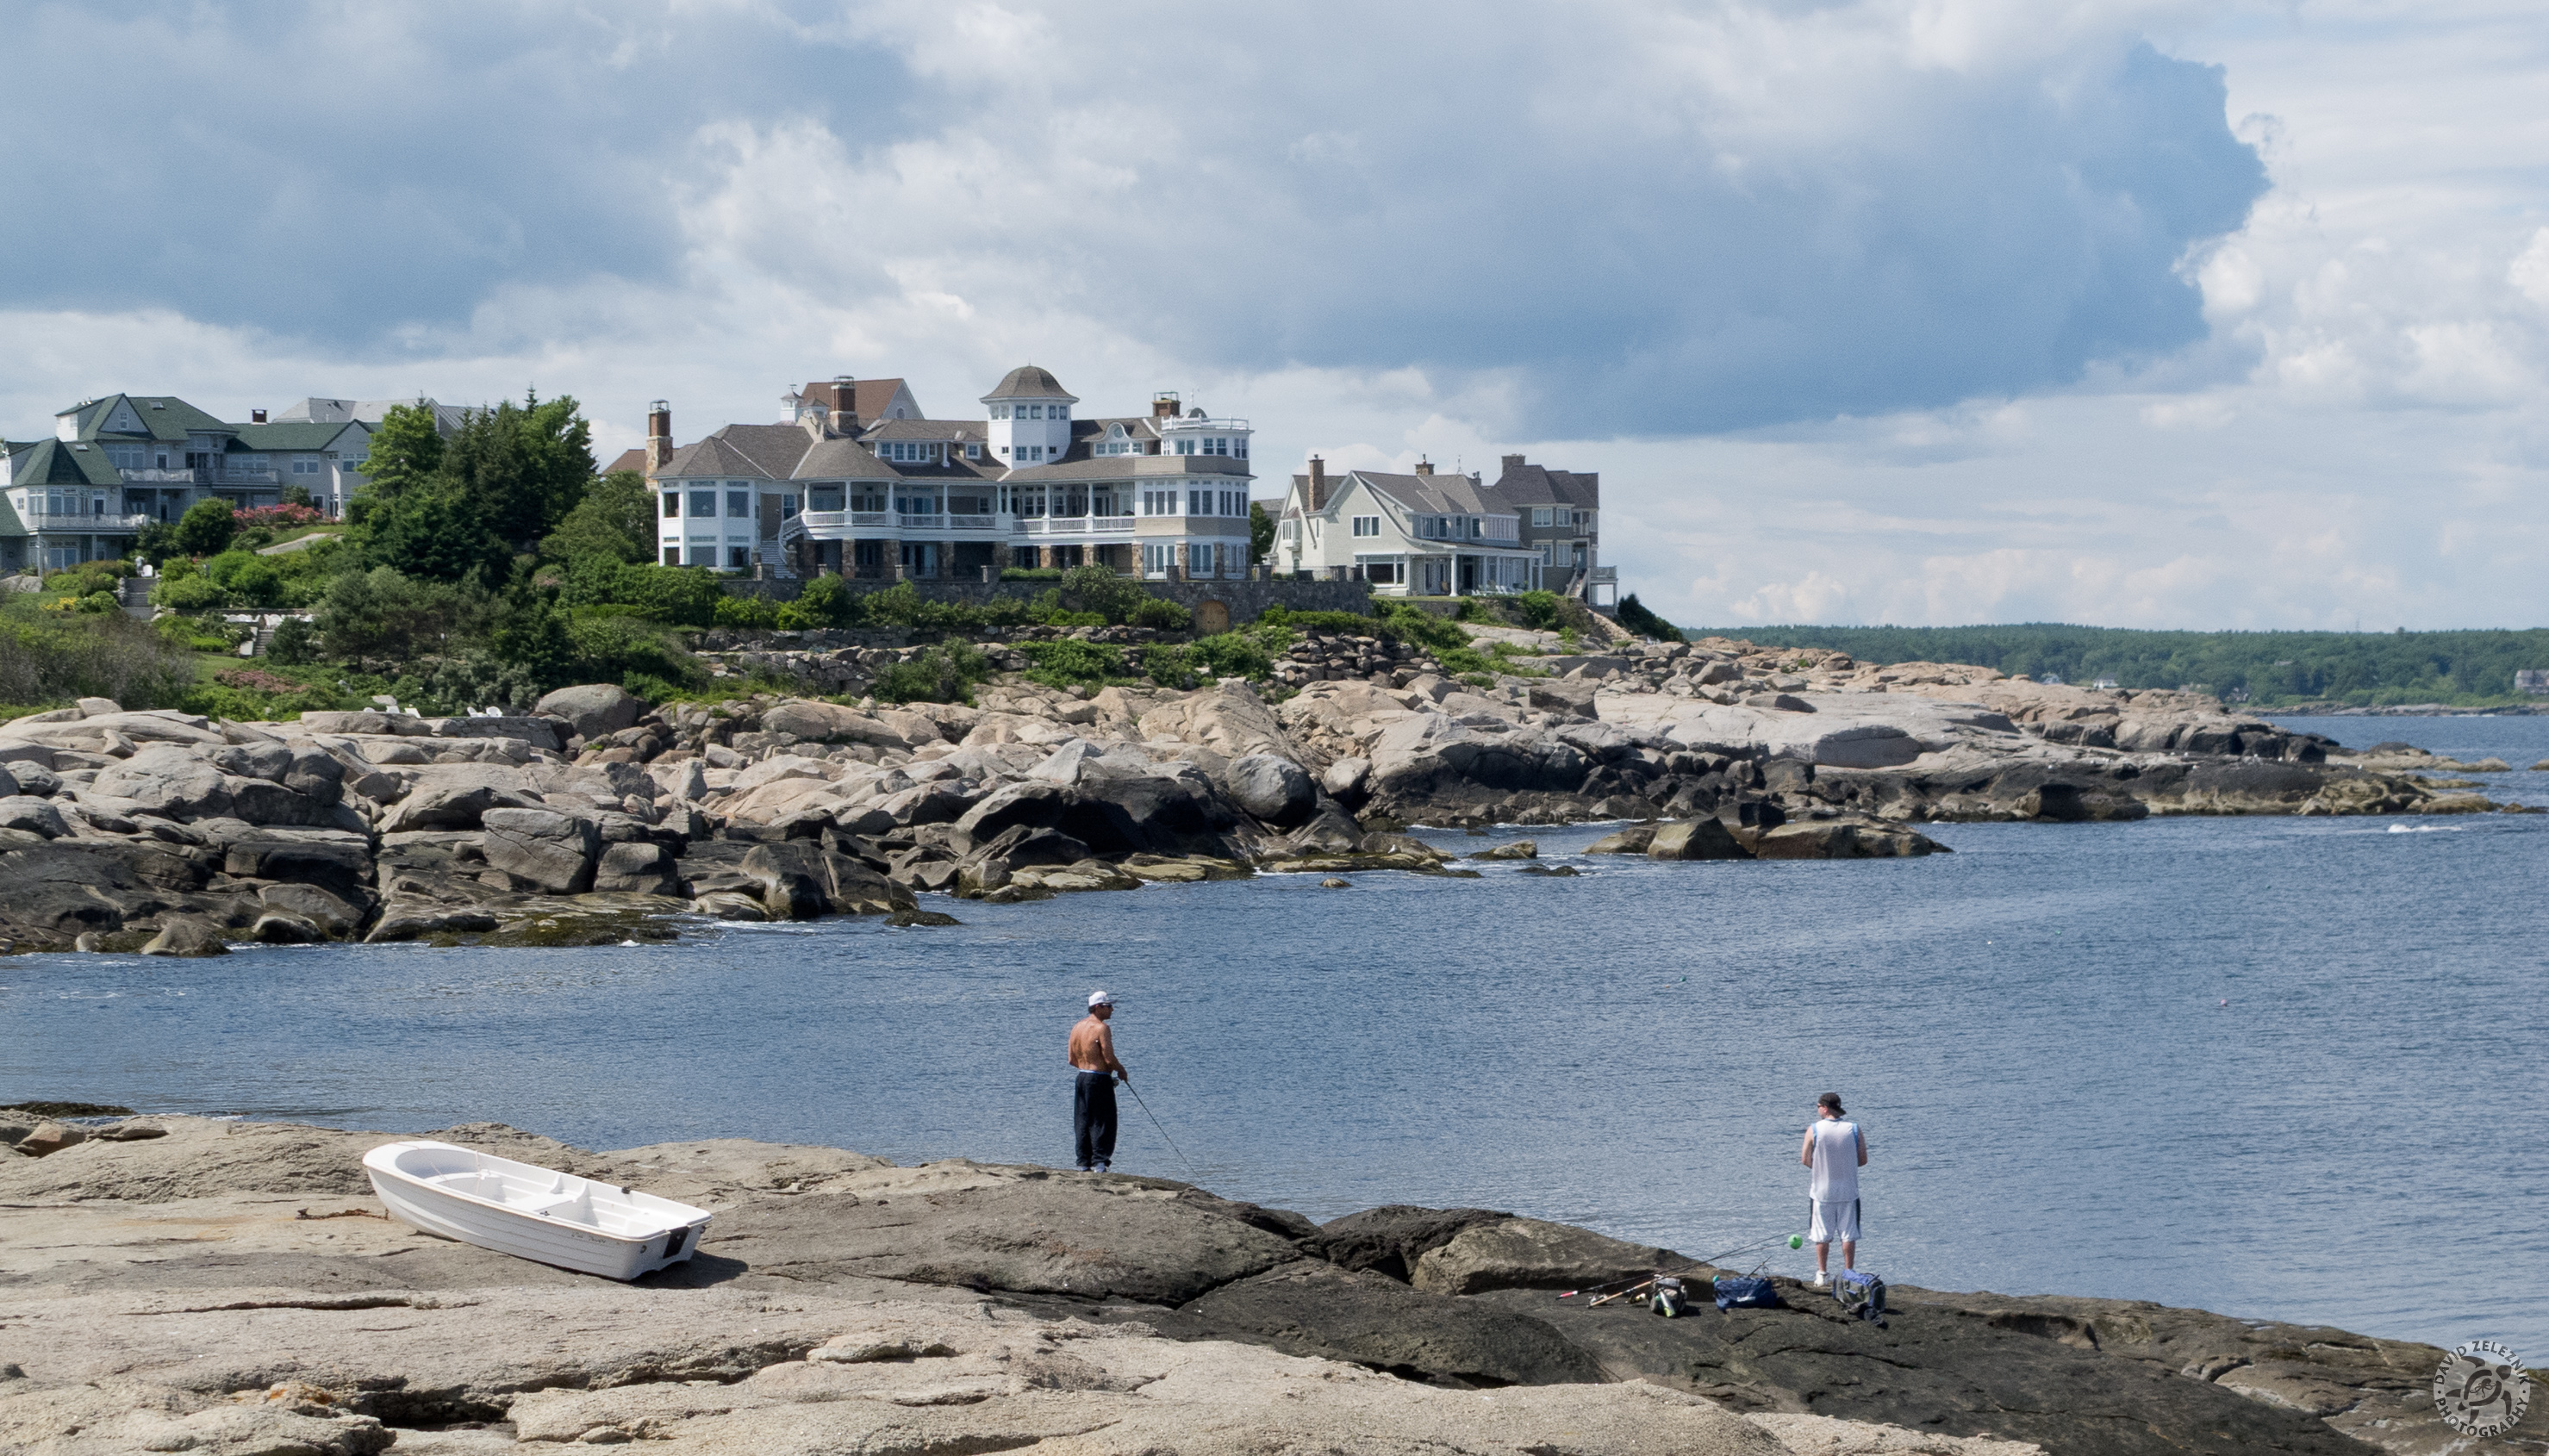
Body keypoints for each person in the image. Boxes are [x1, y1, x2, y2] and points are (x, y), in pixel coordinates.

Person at [1798, 1091, 1867, 1287]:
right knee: (1848, 1234)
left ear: (1825, 1108)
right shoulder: (1854, 1129)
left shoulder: (1814, 1129)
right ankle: (1848, 1273)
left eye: (1818, 1106)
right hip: (1848, 1191)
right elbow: (1863, 1160)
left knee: (1821, 1235)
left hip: (1821, 1192)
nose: (1818, 1109)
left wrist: (1820, 1168)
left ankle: (1822, 1274)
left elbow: (1805, 1159)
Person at [1069, 991, 1130, 1173]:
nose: (1112, 1009)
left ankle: (1083, 1162)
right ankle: (1100, 1163)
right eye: (1109, 1006)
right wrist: (1121, 1070)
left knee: (1083, 1120)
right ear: (1098, 1008)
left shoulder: (1077, 1027)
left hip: (1082, 1078)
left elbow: (1071, 1060)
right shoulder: (1101, 1029)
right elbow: (1109, 1058)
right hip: (1099, 1079)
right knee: (1103, 1121)